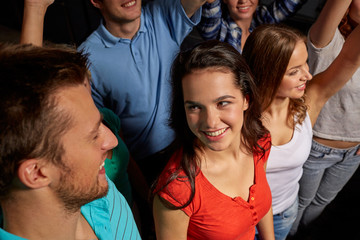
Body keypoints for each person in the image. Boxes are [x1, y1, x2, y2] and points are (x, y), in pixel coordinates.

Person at [0, 43, 141, 240]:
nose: (112, 141)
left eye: (100, 123)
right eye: (93, 136)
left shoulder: (101, 192)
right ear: (37, 173)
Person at [241, 19, 360, 239]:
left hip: (283, 214)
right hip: (239, 218)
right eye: (294, 71)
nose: (308, 75)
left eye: (305, 64)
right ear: (267, 73)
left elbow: (350, 58)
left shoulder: (308, 102)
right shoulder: (236, 115)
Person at [152, 40, 275, 240]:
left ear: (246, 99)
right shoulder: (178, 189)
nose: (210, 122)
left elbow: (262, 202)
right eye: (194, 107)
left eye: (222, 103)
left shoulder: (260, 142)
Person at [78, 0, 208, 186]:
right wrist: (142, 190)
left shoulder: (160, 15)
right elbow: (110, 138)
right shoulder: (87, 58)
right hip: (147, 166)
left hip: (193, 142)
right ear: (96, 2)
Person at [290, 0, 360, 235]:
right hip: (317, 147)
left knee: (321, 205)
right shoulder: (326, 39)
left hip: (353, 153)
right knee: (299, 203)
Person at [197, 0, 308, 53]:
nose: (243, 1)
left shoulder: (262, 21)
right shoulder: (219, 31)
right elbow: (210, 12)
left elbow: (290, 4)